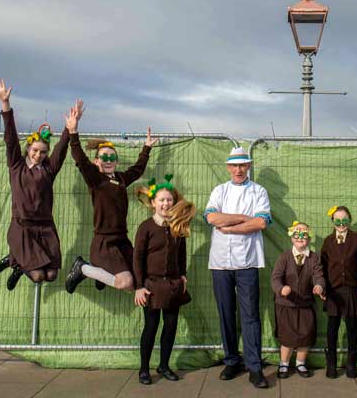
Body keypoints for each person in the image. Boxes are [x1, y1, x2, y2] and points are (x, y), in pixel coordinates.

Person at [64, 103, 157, 294]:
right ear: (97, 161)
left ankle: (102, 274)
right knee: (125, 283)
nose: (108, 161)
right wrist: (73, 132)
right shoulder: (95, 179)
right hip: (104, 243)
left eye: (111, 158)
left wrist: (146, 148)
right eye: (103, 158)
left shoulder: (121, 178)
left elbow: (137, 170)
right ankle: (82, 268)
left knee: (138, 283)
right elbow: (80, 159)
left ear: (116, 161)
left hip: (122, 240)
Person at [0, 78, 75, 290]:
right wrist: (5, 105)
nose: (38, 154)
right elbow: (10, 137)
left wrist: (69, 129)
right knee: (38, 276)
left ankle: (17, 263)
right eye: (35, 150)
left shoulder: (48, 169)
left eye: (43, 152)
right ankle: (18, 263)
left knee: (51, 275)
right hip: (22, 226)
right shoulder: (16, 166)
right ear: (28, 149)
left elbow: (61, 151)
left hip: (45, 227)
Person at [204, 146, 271, 389]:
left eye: (243, 165)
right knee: (226, 313)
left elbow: (262, 222)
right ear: (228, 167)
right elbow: (211, 218)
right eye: (235, 165)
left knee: (250, 315)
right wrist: (244, 218)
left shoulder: (259, 191)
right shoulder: (219, 190)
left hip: (248, 261)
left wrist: (230, 226)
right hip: (220, 262)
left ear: (249, 166)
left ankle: (254, 367)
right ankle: (232, 360)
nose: (239, 169)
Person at [133, 175, 196, 385]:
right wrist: (139, 287)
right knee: (151, 326)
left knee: (171, 325)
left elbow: (181, 253)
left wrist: (183, 275)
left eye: (169, 200)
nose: (166, 204)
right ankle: (144, 369)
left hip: (173, 285)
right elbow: (138, 258)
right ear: (153, 203)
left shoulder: (178, 226)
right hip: (151, 285)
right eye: (161, 200)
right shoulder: (146, 227)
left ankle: (164, 365)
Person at [320, 206, 357, 378]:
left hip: (351, 289)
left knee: (352, 328)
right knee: (332, 328)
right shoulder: (327, 242)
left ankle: (351, 364)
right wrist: (322, 286)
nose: (341, 224)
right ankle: (332, 364)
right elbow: (322, 267)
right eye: (338, 221)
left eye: (345, 220)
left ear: (349, 220)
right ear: (333, 222)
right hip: (333, 290)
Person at [271, 221, 325, 379]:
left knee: (305, 336)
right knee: (287, 337)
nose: (300, 237)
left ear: (309, 239)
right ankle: (284, 364)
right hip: (286, 304)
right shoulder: (284, 257)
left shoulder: (314, 258)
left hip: (305, 304)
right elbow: (275, 278)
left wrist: (319, 286)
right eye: (297, 234)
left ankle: (301, 363)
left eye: (304, 235)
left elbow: (318, 276)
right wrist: (281, 288)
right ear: (291, 239)